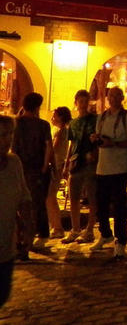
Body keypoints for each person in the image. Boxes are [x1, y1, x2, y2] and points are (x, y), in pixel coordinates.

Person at [92, 86, 127, 258]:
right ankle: (105, 234)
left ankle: (121, 241)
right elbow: (99, 136)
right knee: (100, 204)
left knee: (119, 206)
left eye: (115, 96)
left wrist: (115, 144)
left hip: (120, 166)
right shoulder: (102, 116)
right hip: (103, 166)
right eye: (110, 95)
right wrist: (96, 139)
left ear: (122, 98)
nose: (112, 98)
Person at [12, 92, 52, 251]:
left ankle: (23, 236)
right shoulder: (43, 125)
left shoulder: (17, 123)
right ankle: (41, 234)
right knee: (37, 202)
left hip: (21, 166)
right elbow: (48, 146)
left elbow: (13, 147)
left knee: (21, 203)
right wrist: (45, 166)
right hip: (36, 168)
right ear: (37, 106)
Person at [0, 115, 31, 307]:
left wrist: (27, 227)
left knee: (2, 295)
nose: (7, 140)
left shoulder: (14, 163)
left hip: (5, 250)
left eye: (10, 134)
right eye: (2, 135)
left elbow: (24, 198)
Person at [63, 89, 98, 244]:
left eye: (86, 101)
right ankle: (75, 228)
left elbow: (99, 139)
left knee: (91, 197)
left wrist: (95, 153)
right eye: (80, 101)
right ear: (76, 103)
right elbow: (71, 144)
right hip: (76, 162)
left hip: (90, 163)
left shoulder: (95, 120)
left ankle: (90, 229)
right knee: (74, 197)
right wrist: (66, 163)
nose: (83, 105)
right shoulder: (73, 123)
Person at [46, 106, 71, 239]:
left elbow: (52, 149)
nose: (52, 117)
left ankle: (57, 227)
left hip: (56, 166)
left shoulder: (61, 131)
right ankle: (54, 225)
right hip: (58, 166)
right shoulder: (62, 130)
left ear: (60, 117)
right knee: (50, 197)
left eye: (55, 115)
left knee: (50, 197)